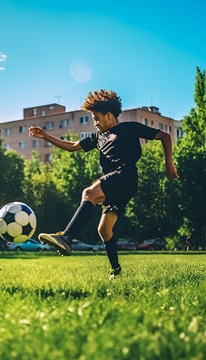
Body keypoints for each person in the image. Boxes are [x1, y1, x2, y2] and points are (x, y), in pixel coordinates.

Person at [29, 89, 179, 278]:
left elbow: (164, 136)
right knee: (104, 229)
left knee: (89, 193)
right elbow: (73, 147)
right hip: (119, 185)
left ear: (109, 115)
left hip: (125, 176)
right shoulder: (97, 138)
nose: (95, 122)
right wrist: (46, 137)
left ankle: (66, 237)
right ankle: (116, 270)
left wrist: (169, 163)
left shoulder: (129, 128)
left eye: (97, 118)